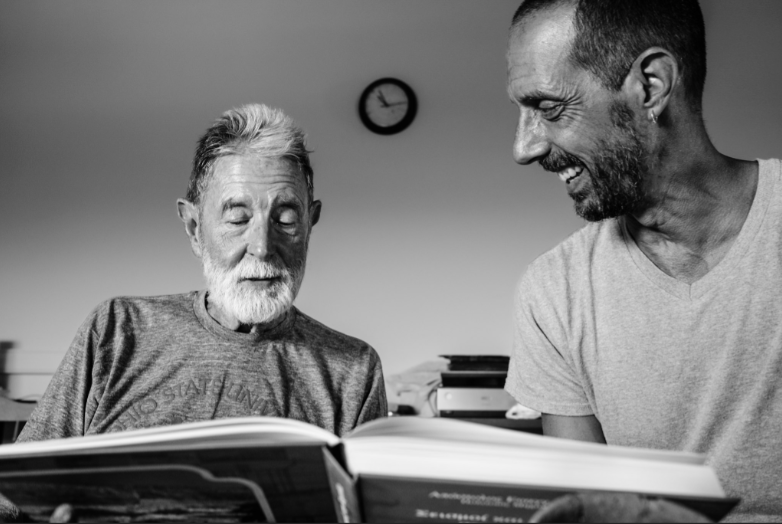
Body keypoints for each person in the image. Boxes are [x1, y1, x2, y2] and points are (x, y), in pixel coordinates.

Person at [503, 0, 781, 521]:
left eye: (548, 107)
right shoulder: (555, 291)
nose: (524, 147)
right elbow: (588, 512)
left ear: (651, 86)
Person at [17, 103, 387, 443]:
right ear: (195, 228)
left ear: (310, 224)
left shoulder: (353, 369)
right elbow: (15, 492)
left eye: (286, 218)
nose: (261, 246)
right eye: (238, 218)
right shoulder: (116, 329)